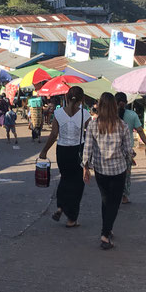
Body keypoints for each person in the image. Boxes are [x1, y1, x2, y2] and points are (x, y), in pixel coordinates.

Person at [83, 92, 134, 250]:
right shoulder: (122, 125)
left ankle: (107, 229)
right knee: (114, 203)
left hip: (100, 170)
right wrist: (131, 156)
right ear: (114, 106)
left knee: (106, 201)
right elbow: (127, 149)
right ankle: (105, 235)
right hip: (118, 170)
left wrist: (85, 167)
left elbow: (88, 148)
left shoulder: (92, 125)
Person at [39, 86, 90, 228]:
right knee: (77, 185)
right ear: (82, 100)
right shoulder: (85, 114)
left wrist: (44, 151)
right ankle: (71, 218)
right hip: (78, 151)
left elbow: (54, 135)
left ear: (66, 98)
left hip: (62, 152)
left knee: (65, 179)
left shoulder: (58, 113)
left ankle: (61, 206)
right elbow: (91, 135)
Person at [115, 92, 146, 204]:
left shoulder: (109, 116)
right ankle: (124, 196)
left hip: (112, 149)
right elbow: (140, 130)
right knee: (126, 174)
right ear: (126, 103)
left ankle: (114, 195)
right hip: (127, 150)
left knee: (113, 173)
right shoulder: (132, 115)